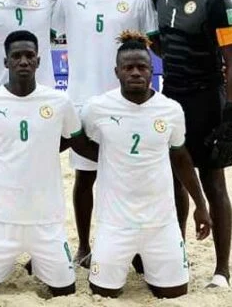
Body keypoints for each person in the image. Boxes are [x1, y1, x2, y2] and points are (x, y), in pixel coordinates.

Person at [50, 0, 159, 268]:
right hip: (82, 102)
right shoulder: (69, 0)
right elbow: (47, 25)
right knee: (85, 178)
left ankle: (136, 247)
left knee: (131, 178)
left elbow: (152, 44)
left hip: (126, 104)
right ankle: (84, 245)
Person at [82, 31, 212, 299]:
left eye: (142, 67)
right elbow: (82, 144)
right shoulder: (96, 109)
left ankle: (152, 262)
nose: (135, 73)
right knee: (104, 292)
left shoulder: (171, 109)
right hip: (115, 224)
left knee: (175, 292)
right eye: (128, 67)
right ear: (116, 72)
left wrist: (201, 204)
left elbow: (181, 158)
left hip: (160, 223)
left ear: (153, 70)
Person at [0, 30, 91, 298]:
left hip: (46, 220)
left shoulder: (59, 101)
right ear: (6, 62)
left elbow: (77, 142)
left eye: (29, 56)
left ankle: (41, 263)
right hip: (1, 221)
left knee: (65, 292)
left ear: (39, 61)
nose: (23, 61)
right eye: (16, 56)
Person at [147, 0, 232, 288]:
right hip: (173, 101)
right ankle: (178, 254)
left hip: (208, 101)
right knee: (174, 182)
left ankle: (223, 269)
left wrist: (230, 115)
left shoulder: (216, 1)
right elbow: (162, 45)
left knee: (214, 182)